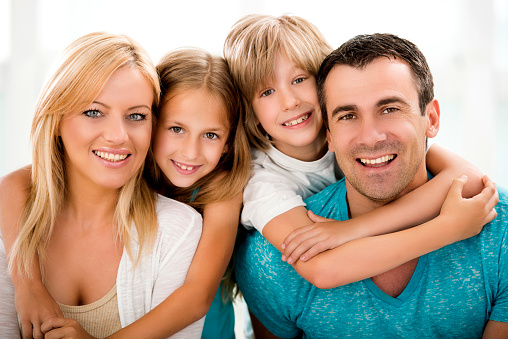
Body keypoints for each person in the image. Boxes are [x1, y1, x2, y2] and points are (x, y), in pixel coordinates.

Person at [234, 33, 506, 338]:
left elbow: (465, 174)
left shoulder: (499, 230)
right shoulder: (274, 243)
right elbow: (322, 269)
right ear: (330, 133)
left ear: (431, 118)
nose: (370, 136)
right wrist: (448, 229)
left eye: (389, 109)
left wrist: (351, 230)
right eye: (348, 115)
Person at [0, 32, 203, 338]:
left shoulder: (177, 230)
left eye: (136, 116)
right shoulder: (9, 222)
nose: (119, 135)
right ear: (55, 119)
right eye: (93, 112)